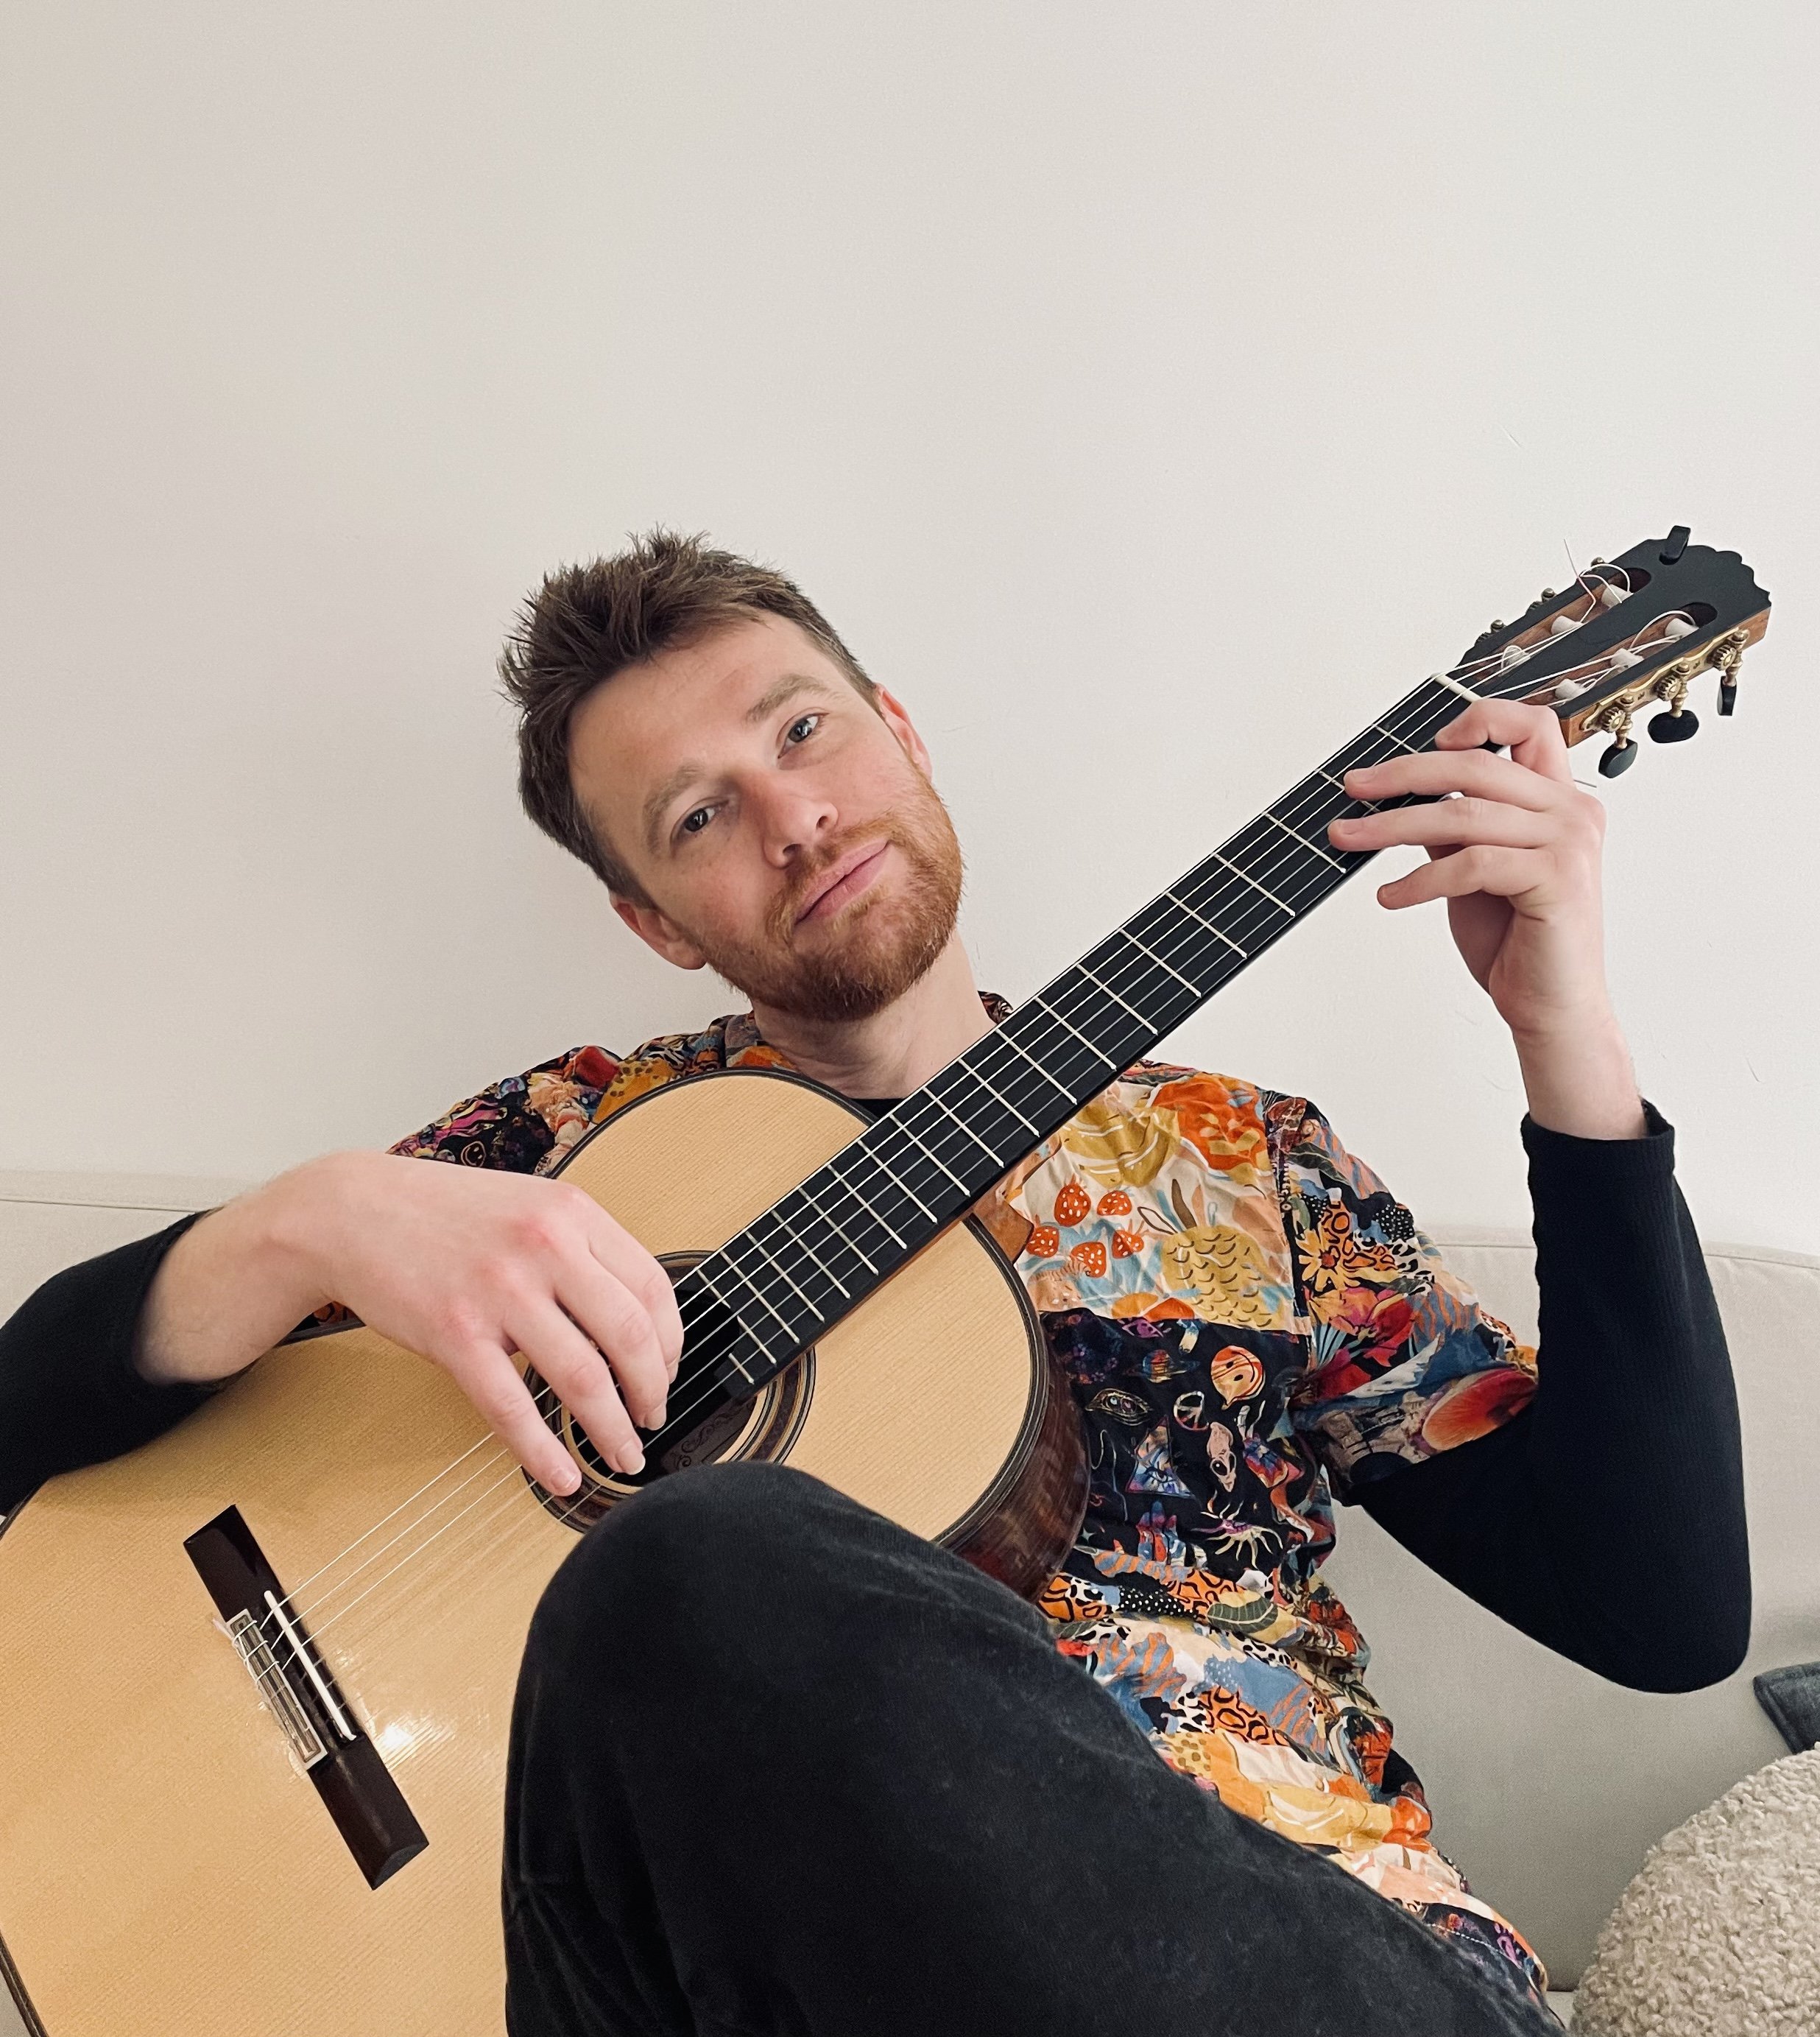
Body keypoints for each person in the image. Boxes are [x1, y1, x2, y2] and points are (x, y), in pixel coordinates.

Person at [0, 532, 1748, 2036]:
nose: (794, 814)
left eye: (805, 730)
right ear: (654, 920)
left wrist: (1568, 1050)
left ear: (900, 735)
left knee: (716, 1545)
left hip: (1256, 1945)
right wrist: (301, 1224)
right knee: (709, 1552)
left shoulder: (1246, 1171)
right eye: (700, 814)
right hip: (724, 1975)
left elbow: (1663, 1613)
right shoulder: (566, 1154)